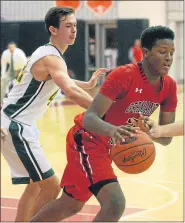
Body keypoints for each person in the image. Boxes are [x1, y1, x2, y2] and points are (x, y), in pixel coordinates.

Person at [30, 26, 177, 222]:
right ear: (146, 52)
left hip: (109, 146)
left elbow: (166, 138)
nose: (168, 57)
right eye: (162, 52)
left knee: (70, 204)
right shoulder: (124, 75)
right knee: (115, 203)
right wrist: (113, 130)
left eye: (171, 53)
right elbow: (91, 117)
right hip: (87, 138)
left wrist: (151, 131)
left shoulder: (169, 86)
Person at [1, 7, 109, 222]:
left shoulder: (47, 53)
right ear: (53, 29)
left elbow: (57, 80)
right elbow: (69, 90)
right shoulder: (52, 57)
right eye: (68, 26)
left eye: (75, 25)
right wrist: (105, 113)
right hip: (16, 126)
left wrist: (87, 84)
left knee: (34, 187)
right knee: (50, 188)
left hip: (15, 122)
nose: (74, 30)